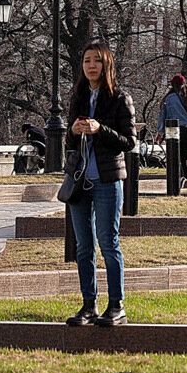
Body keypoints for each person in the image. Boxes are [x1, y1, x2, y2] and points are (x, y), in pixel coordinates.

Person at [64, 41, 136, 327]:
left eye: (96, 60)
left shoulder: (119, 98)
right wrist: (72, 130)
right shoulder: (77, 98)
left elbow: (129, 142)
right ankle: (88, 304)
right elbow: (69, 143)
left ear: (106, 65)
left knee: (108, 243)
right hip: (80, 182)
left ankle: (116, 305)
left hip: (107, 180)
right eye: (86, 61)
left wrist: (100, 129)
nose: (91, 65)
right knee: (84, 246)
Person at [157, 74, 187, 187]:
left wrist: (160, 132)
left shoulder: (169, 99)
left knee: (174, 157)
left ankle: (178, 180)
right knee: (184, 157)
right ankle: (184, 178)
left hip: (173, 130)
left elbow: (163, 116)